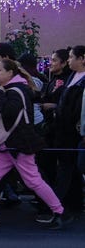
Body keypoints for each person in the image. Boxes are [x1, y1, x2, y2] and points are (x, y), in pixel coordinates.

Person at [0, 59, 64, 230]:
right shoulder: (17, 89)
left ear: (10, 73)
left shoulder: (15, 91)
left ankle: (59, 212)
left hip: (19, 145)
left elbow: (8, 113)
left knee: (33, 181)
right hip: (8, 144)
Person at [49, 46, 85, 220]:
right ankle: (72, 203)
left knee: (67, 168)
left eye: (71, 57)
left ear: (82, 59)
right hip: (63, 131)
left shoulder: (82, 81)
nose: (69, 60)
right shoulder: (72, 76)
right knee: (69, 168)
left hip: (75, 133)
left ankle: (57, 206)